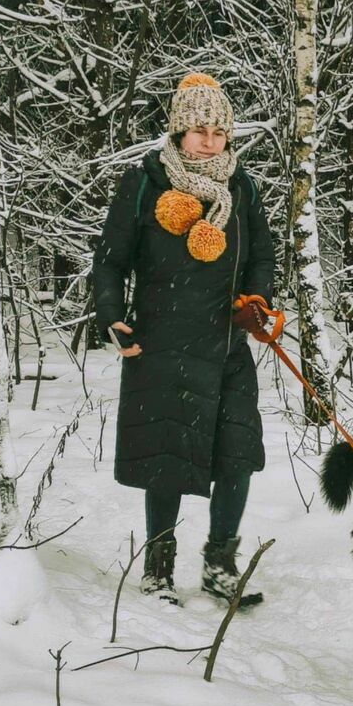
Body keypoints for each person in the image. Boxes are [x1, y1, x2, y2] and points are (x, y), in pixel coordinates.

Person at [92, 73, 275, 608]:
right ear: (178, 131)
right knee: (166, 457)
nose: (210, 141)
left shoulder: (242, 188)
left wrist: (257, 300)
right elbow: (111, 261)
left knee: (238, 454)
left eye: (219, 132)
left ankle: (220, 565)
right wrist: (111, 316)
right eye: (200, 130)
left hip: (226, 346)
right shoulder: (144, 183)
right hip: (161, 343)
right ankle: (158, 568)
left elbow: (262, 256)